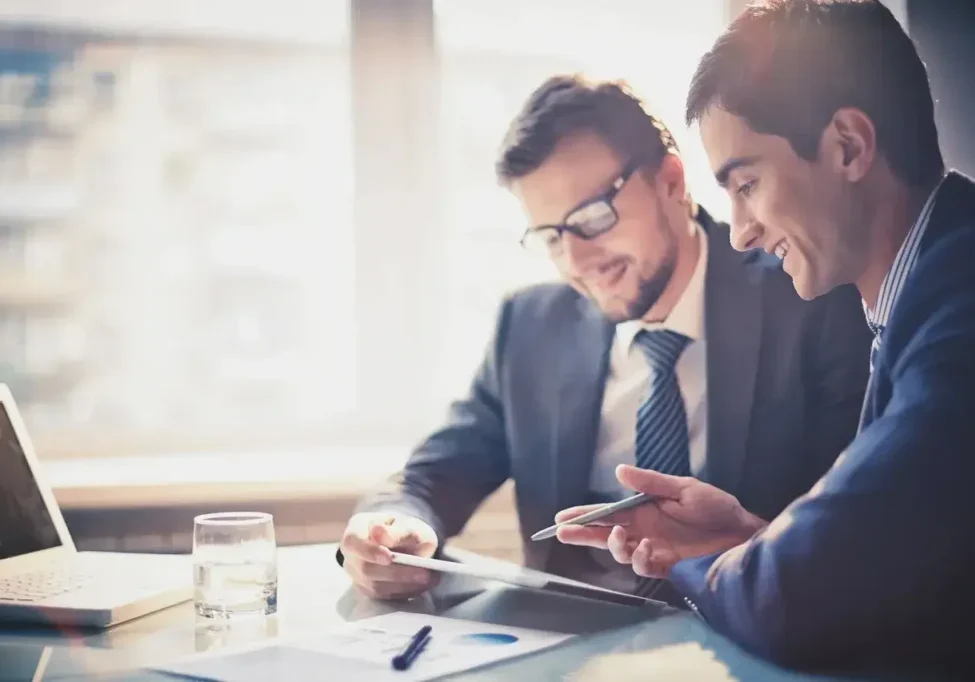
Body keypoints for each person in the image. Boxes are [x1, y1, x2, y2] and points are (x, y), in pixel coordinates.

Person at [554, 0, 975, 674]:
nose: (742, 231)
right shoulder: (924, 289)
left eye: (746, 183)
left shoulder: (959, 308)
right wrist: (750, 537)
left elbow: (796, 598)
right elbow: (898, 560)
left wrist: (715, 562)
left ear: (847, 146)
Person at [338, 74, 871, 606]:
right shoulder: (529, 326)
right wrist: (391, 526)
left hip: (741, 633)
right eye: (551, 236)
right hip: (568, 647)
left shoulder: (808, 297)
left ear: (670, 181)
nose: (577, 261)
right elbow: (436, 473)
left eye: (592, 218)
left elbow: (853, 530)